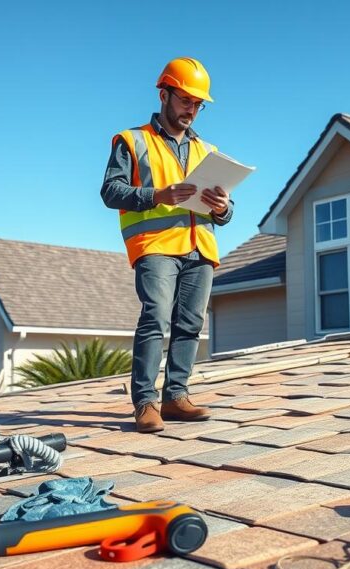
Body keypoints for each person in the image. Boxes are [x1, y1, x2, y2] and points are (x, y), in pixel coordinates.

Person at [100, 57, 232, 433]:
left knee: (190, 323)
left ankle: (176, 396)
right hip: (155, 243)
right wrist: (160, 194)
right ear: (164, 94)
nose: (192, 109)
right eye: (185, 100)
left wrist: (223, 208)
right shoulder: (132, 141)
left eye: (197, 103)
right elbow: (111, 191)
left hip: (199, 247)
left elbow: (225, 207)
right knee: (156, 316)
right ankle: (145, 402)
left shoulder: (208, 150)